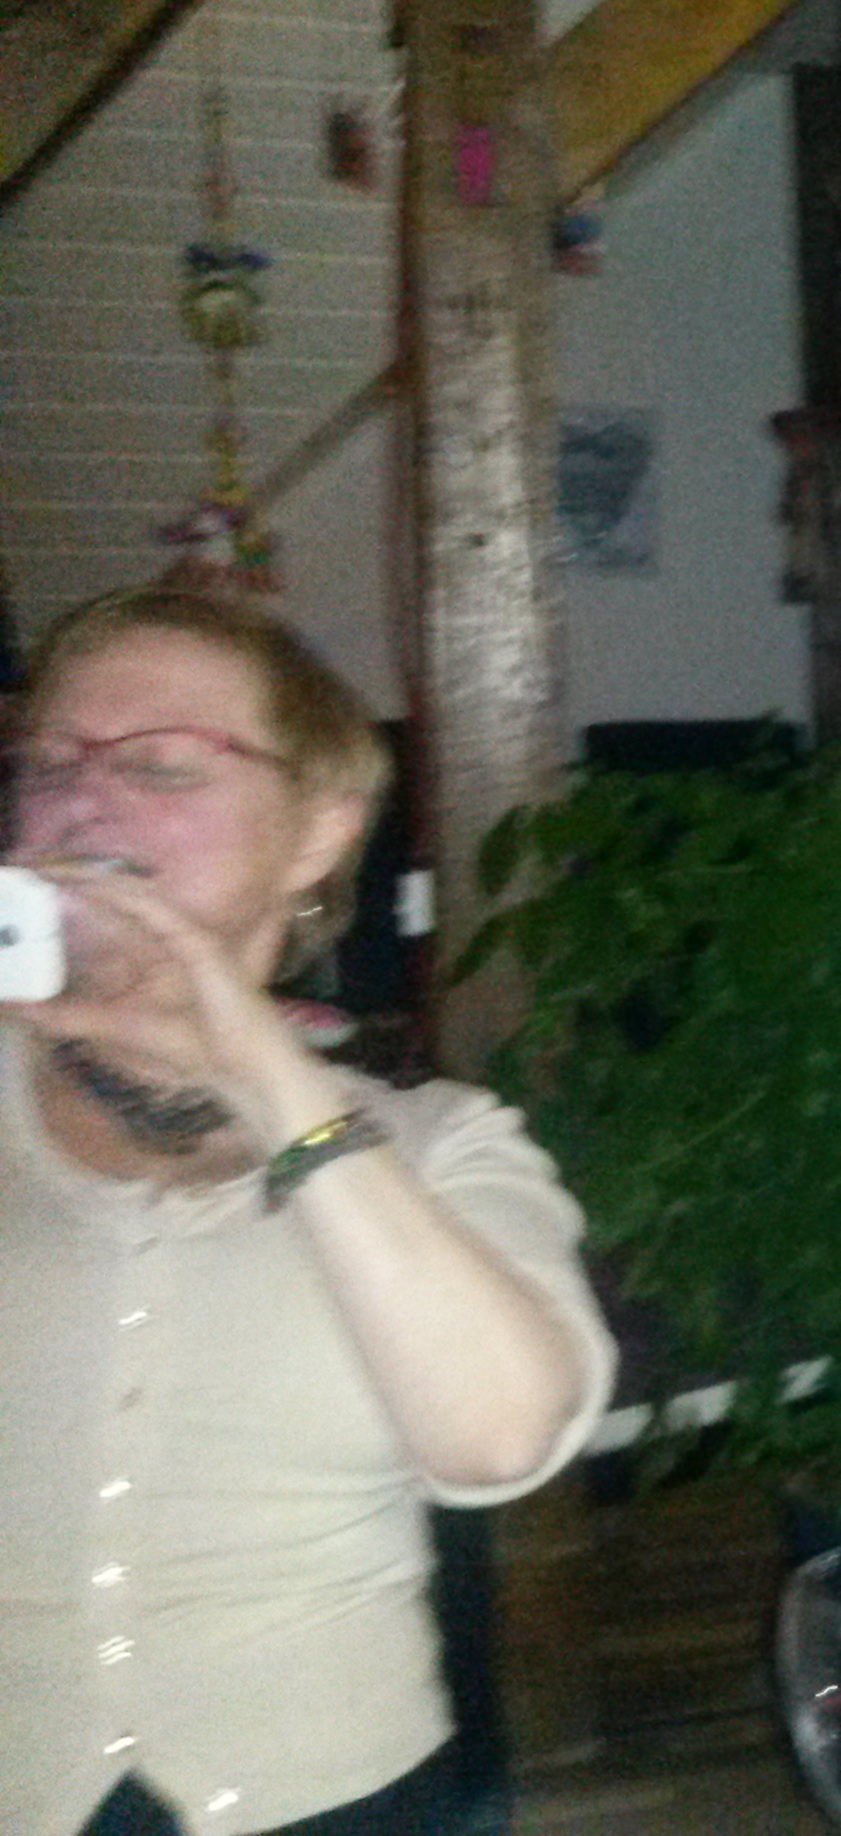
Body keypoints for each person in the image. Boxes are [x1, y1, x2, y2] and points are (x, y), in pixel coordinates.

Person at [0, 583, 618, 1836]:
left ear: (317, 834)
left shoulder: (439, 1148)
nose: (81, 799)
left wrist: (266, 1076)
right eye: (51, 762)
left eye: (159, 765)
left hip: (338, 1801)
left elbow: (500, 1439)